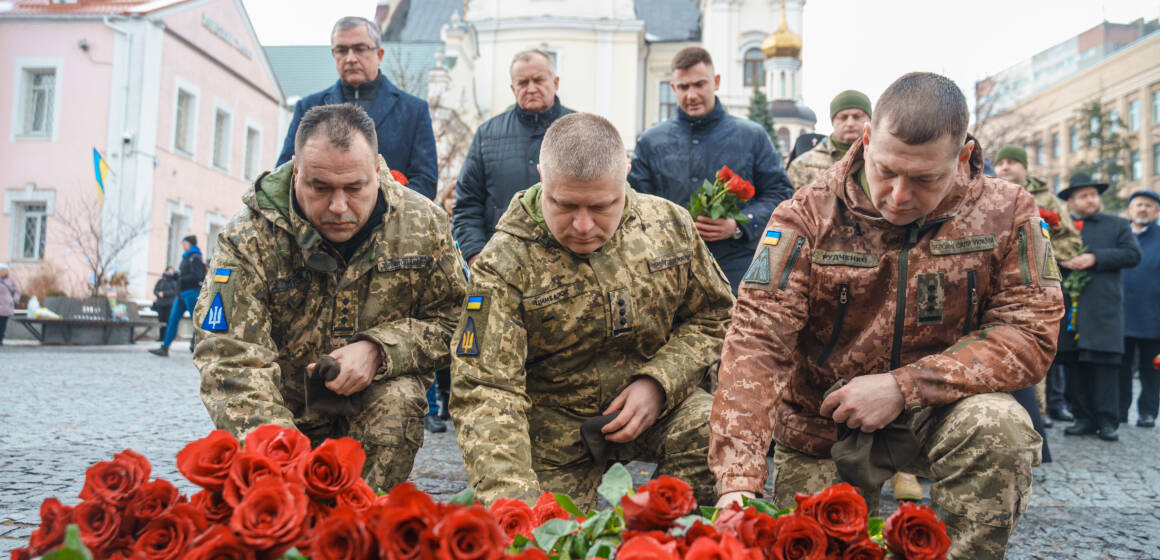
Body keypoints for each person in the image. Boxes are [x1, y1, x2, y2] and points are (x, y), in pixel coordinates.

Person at [710, 72, 1063, 559]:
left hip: (942, 413)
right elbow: (757, 342)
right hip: (822, 423)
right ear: (869, 140)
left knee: (999, 427)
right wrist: (739, 480)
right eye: (887, 171)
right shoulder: (808, 215)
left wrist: (904, 386)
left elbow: (1030, 333)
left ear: (961, 158)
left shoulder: (1008, 213)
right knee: (816, 546)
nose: (898, 195)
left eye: (924, 179)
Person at [451, 113, 735, 508]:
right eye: (564, 205)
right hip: (555, 428)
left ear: (627, 176)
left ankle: (668, 538)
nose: (583, 226)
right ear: (541, 177)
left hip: (658, 409)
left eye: (602, 206)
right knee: (548, 538)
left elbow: (717, 316)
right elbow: (485, 387)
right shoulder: (503, 263)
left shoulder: (669, 225)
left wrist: (659, 383)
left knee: (713, 432)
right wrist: (514, 502)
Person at [194, 104, 467, 491]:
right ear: (295, 171)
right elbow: (228, 355)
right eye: (319, 188)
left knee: (399, 401)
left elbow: (457, 323)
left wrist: (380, 349)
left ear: (377, 171)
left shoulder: (422, 224)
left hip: (374, 401)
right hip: (278, 405)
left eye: (354, 188)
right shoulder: (248, 238)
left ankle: (362, 518)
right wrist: (282, 455)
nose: (338, 207)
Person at [629, 47, 793, 293]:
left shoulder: (751, 136)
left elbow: (780, 194)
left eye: (699, 84)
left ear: (715, 82)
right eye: (683, 87)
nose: (691, 95)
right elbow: (635, 203)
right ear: (673, 88)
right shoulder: (651, 142)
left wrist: (740, 225)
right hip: (670, 270)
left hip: (736, 269)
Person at [276, 17, 437, 200]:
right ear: (333, 54)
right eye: (342, 50)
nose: (350, 58)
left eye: (360, 49)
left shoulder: (413, 110)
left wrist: (372, 206)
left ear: (380, 55)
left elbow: (426, 183)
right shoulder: (308, 107)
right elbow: (285, 175)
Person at [453, 49, 574, 264]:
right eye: (523, 83)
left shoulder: (579, 129)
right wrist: (475, 256)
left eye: (538, 80)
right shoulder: (487, 134)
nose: (531, 88)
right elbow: (466, 206)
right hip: (501, 262)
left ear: (555, 83)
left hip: (567, 260)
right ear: (512, 88)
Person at [1056, 173, 1142, 442]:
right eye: (1084, 196)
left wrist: (1095, 258)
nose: (1091, 199)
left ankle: (1108, 421)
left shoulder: (1117, 225)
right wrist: (1062, 262)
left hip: (1103, 308)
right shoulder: (1060, 227)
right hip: (1070, 309)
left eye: (1093, 194)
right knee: (1075, 364)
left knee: (1104, 366)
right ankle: (1082, 417)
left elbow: (1133, 255)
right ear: (1071, 201)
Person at [1119, 190, 1160, 428]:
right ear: (1130, 210)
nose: (1143, 209)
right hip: (1121, 314)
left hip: (1153, 316)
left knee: (1151, 369)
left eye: (1149, 206)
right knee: (1121, 368)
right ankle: (1120, 411)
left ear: (1156, 212)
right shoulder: (1120, 235)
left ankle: (1147, 412)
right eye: (1138, 205)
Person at [786, 90, 873, 190]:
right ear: (833, 121)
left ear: (869, 120)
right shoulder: (803, 165)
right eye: (843, 117)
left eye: (857, 117)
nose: (850, 123)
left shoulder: (882, 159)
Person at [149, 236, 205, 356]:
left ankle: (199, 346)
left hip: (191, 293)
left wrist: (179, 277)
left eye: (183, 243)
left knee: (196, 322)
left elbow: (198, 276)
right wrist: (175, 276)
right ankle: (165, 347)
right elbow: (185, 275)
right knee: (173, 320)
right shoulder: (186, 257)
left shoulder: (195, 257)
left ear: (188, 244)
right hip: (181, 295)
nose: (182, 245)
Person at [152, 266, 179, 341]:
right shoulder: (160, 281)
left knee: (168, 321)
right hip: (160, 304)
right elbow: (155, 290)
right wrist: (158, 293)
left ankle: (166, 338)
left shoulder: (174, 281)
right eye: (170, 270)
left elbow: (174, 292)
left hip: (169, 304)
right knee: (161, 321)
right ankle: (161, 337)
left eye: (172, 270)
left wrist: (164, 294)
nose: (171, 272)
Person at [0, 263, 20, 347]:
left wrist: (14, 299)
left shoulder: (11, 281)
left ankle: (0, 339)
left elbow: (17, 291)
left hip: (7, 306)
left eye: (5, 270)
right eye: (2, 270)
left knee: (3, 324)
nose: (4, 272)